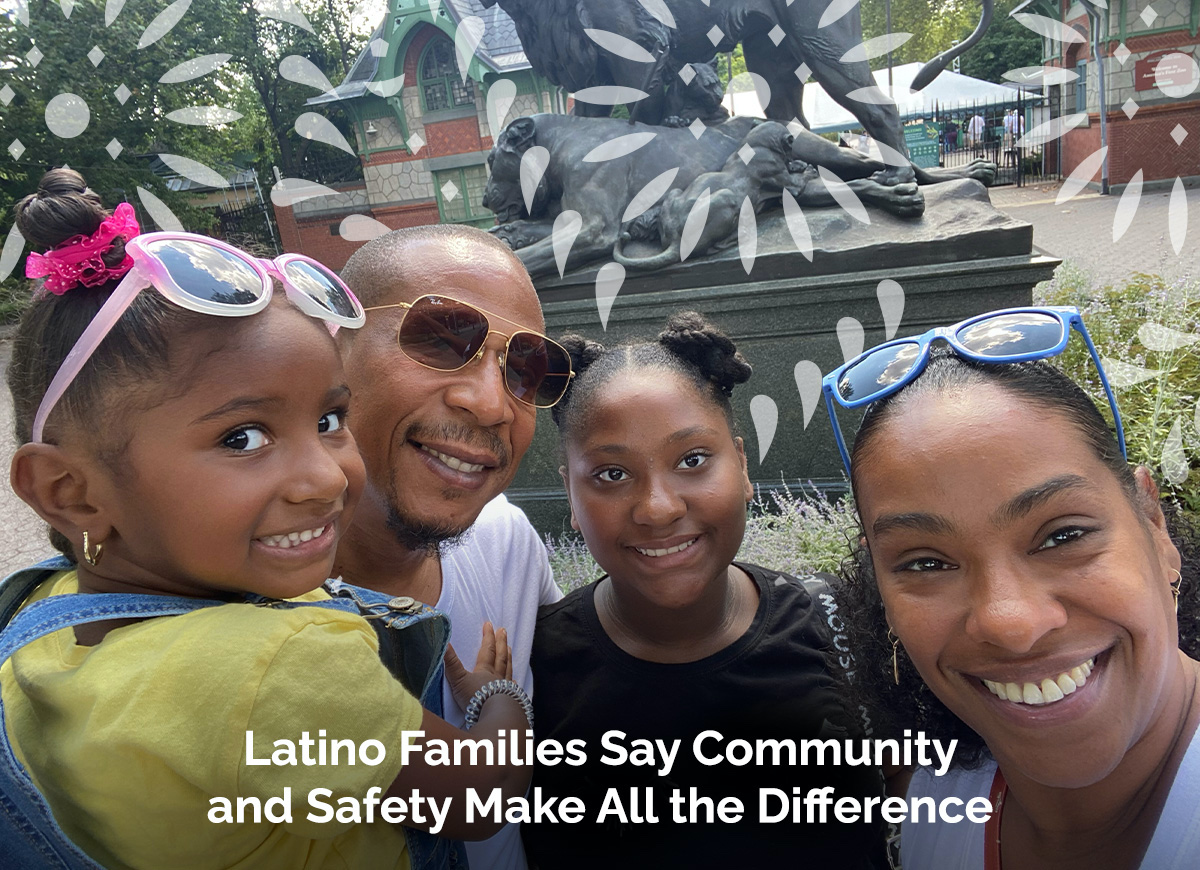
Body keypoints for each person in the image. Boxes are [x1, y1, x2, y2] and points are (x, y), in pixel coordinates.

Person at [1, 169, 533, 869]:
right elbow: (480, 799)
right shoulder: (282, 669)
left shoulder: (41, 618)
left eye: (328, 419)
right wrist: (501, 704)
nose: (323, 475)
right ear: (69, 491)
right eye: (243, 437)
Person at [824, 307, 1200, 869]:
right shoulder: (933, 795)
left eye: (1063, 535)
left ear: (1152, 523)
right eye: (926, 564)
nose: (1011, 623)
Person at [522, 312, 887, 869]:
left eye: (692, 460)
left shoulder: (842, 629)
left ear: (740, 464)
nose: (659, 507)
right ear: (569, 493)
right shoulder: (533, 671)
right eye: (611, 475)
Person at [334, 225, 567, 870]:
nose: (492, 403)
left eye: (526, 369)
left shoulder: (506, 542)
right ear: (332, 344)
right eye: (441, 339)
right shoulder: (231, 623)